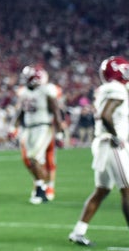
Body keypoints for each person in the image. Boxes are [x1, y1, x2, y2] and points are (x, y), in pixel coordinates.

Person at [69, 56, 129, 246]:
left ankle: (78, 232)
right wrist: (116, 136)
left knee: (101, 191)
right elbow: (106, 115)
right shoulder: (118, 89)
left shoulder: (106, 89)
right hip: (111, 144)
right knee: (127, 190)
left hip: (102, 143)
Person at [9, 64, 65, 205]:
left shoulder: (46, 90)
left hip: (43, 127)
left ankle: (42, 189)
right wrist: (13, 126)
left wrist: (59, 132)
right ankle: (42, 187)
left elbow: (55, 111)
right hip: (28, 128)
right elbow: (21, 111)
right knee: (29, 159)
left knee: (34, 157)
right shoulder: (24, 92)